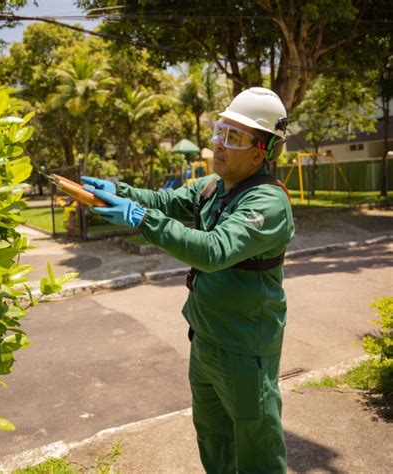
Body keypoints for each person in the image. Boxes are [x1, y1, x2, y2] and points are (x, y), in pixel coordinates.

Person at [83, 87, 295, 473]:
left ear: (260, 151)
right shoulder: (213, 188)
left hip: (245, 348)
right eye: (220, 131)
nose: (220, 144)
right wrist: (121, 192)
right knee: (214, 442)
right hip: (205, 341)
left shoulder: (268, 202)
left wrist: (142, 220)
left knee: (257, 451)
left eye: (234, 138)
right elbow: (165, 202)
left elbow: (213, 250)